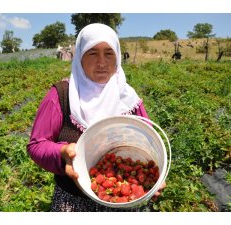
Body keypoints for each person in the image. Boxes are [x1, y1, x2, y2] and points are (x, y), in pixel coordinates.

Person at [27, 23, 165, 212]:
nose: (102, 62)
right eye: (92, 53)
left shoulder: (127, 97)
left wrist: (154, 180)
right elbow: (37, 145)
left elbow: (149, 140)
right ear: (79, 57)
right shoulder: (61, 95)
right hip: (73, 203)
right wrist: (64, 151)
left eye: (109, 53)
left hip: (123, 205)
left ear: (117, 56)